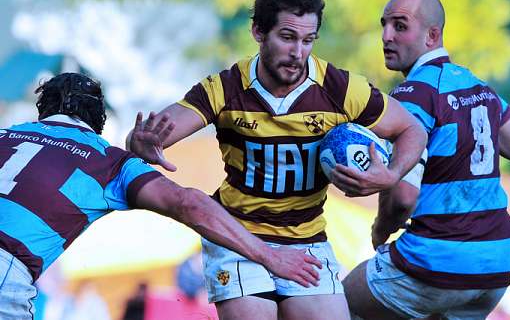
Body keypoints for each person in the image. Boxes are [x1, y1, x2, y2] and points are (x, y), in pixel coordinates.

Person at [127, 0, 426, 319]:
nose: (298, 51)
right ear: (258, 31)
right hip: (237, 236)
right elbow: (156, 133)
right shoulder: (224, 88)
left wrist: (392, 173)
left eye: (308, 40)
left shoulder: (340, 88)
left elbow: (411, 128)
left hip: (306, 240)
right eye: (287, 37)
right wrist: (140, 143)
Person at [0, 73, 322, 319]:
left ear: (43, 110)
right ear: (99, 120)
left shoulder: (5, 134)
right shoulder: (107, 159)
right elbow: (189, 203)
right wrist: (271, 256)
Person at [342, 0, 510, 320]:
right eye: (384, 25)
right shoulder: (479, 89)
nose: (387, 36)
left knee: (328, 306)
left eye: (400, 26)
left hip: (435, 262)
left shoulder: (413, 93)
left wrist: (381, 228)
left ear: (433, 35)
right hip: (494, 267)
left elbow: (403, 197)